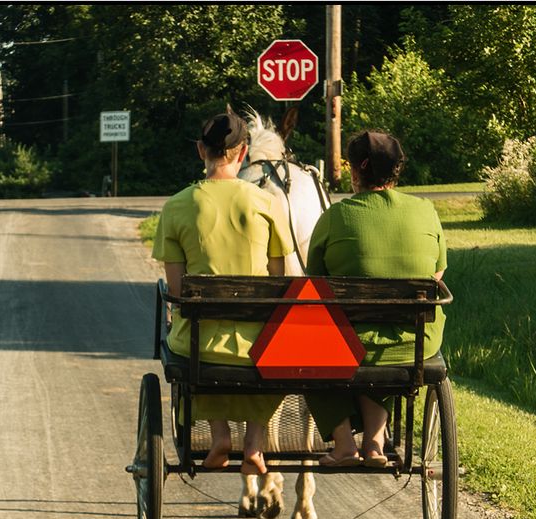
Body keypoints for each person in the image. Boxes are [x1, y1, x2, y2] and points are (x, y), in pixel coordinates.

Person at [152, 110, 294, 475]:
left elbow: (177, 289)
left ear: (201, 150)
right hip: (258, 345)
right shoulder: (267, 203)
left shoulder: (177, 206)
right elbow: (280, 279)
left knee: (188, 344)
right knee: (272, 342)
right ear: (243, 152)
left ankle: (219, 437)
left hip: (199, 344)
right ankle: (254, 443)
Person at [304, 130, 447, 467]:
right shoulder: (425, 211)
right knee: (382, 339)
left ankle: (343, 445)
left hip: (351, 343)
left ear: (355, 172)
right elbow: (438, 274)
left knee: (305, 350)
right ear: (396, 170)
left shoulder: (335, 217)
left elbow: (314, 283)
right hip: (415, 342)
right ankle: (374, 442)